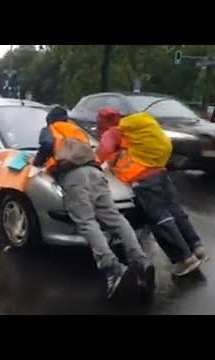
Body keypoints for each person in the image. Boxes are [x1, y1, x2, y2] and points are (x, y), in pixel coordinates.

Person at [32, 106, 155, 299]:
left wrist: (37, 162)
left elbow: (47, 145)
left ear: (50, 120)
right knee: (114, 218)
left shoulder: (50, 129)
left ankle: (111, 267)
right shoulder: (78, 130)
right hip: (96, 173)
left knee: (87, 221)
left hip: (73, 176)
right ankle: (140, 261)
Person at [96, 107, 209, 277]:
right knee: (176, 211)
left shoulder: (114, 132)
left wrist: (93, 163)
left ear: (103, 122)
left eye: (99, 125)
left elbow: (104, 149)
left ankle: (185, 259)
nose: (98, 129)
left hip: (143, 179)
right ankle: (197, 247)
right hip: (160, 172)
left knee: (160, 219)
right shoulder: (136, 131)